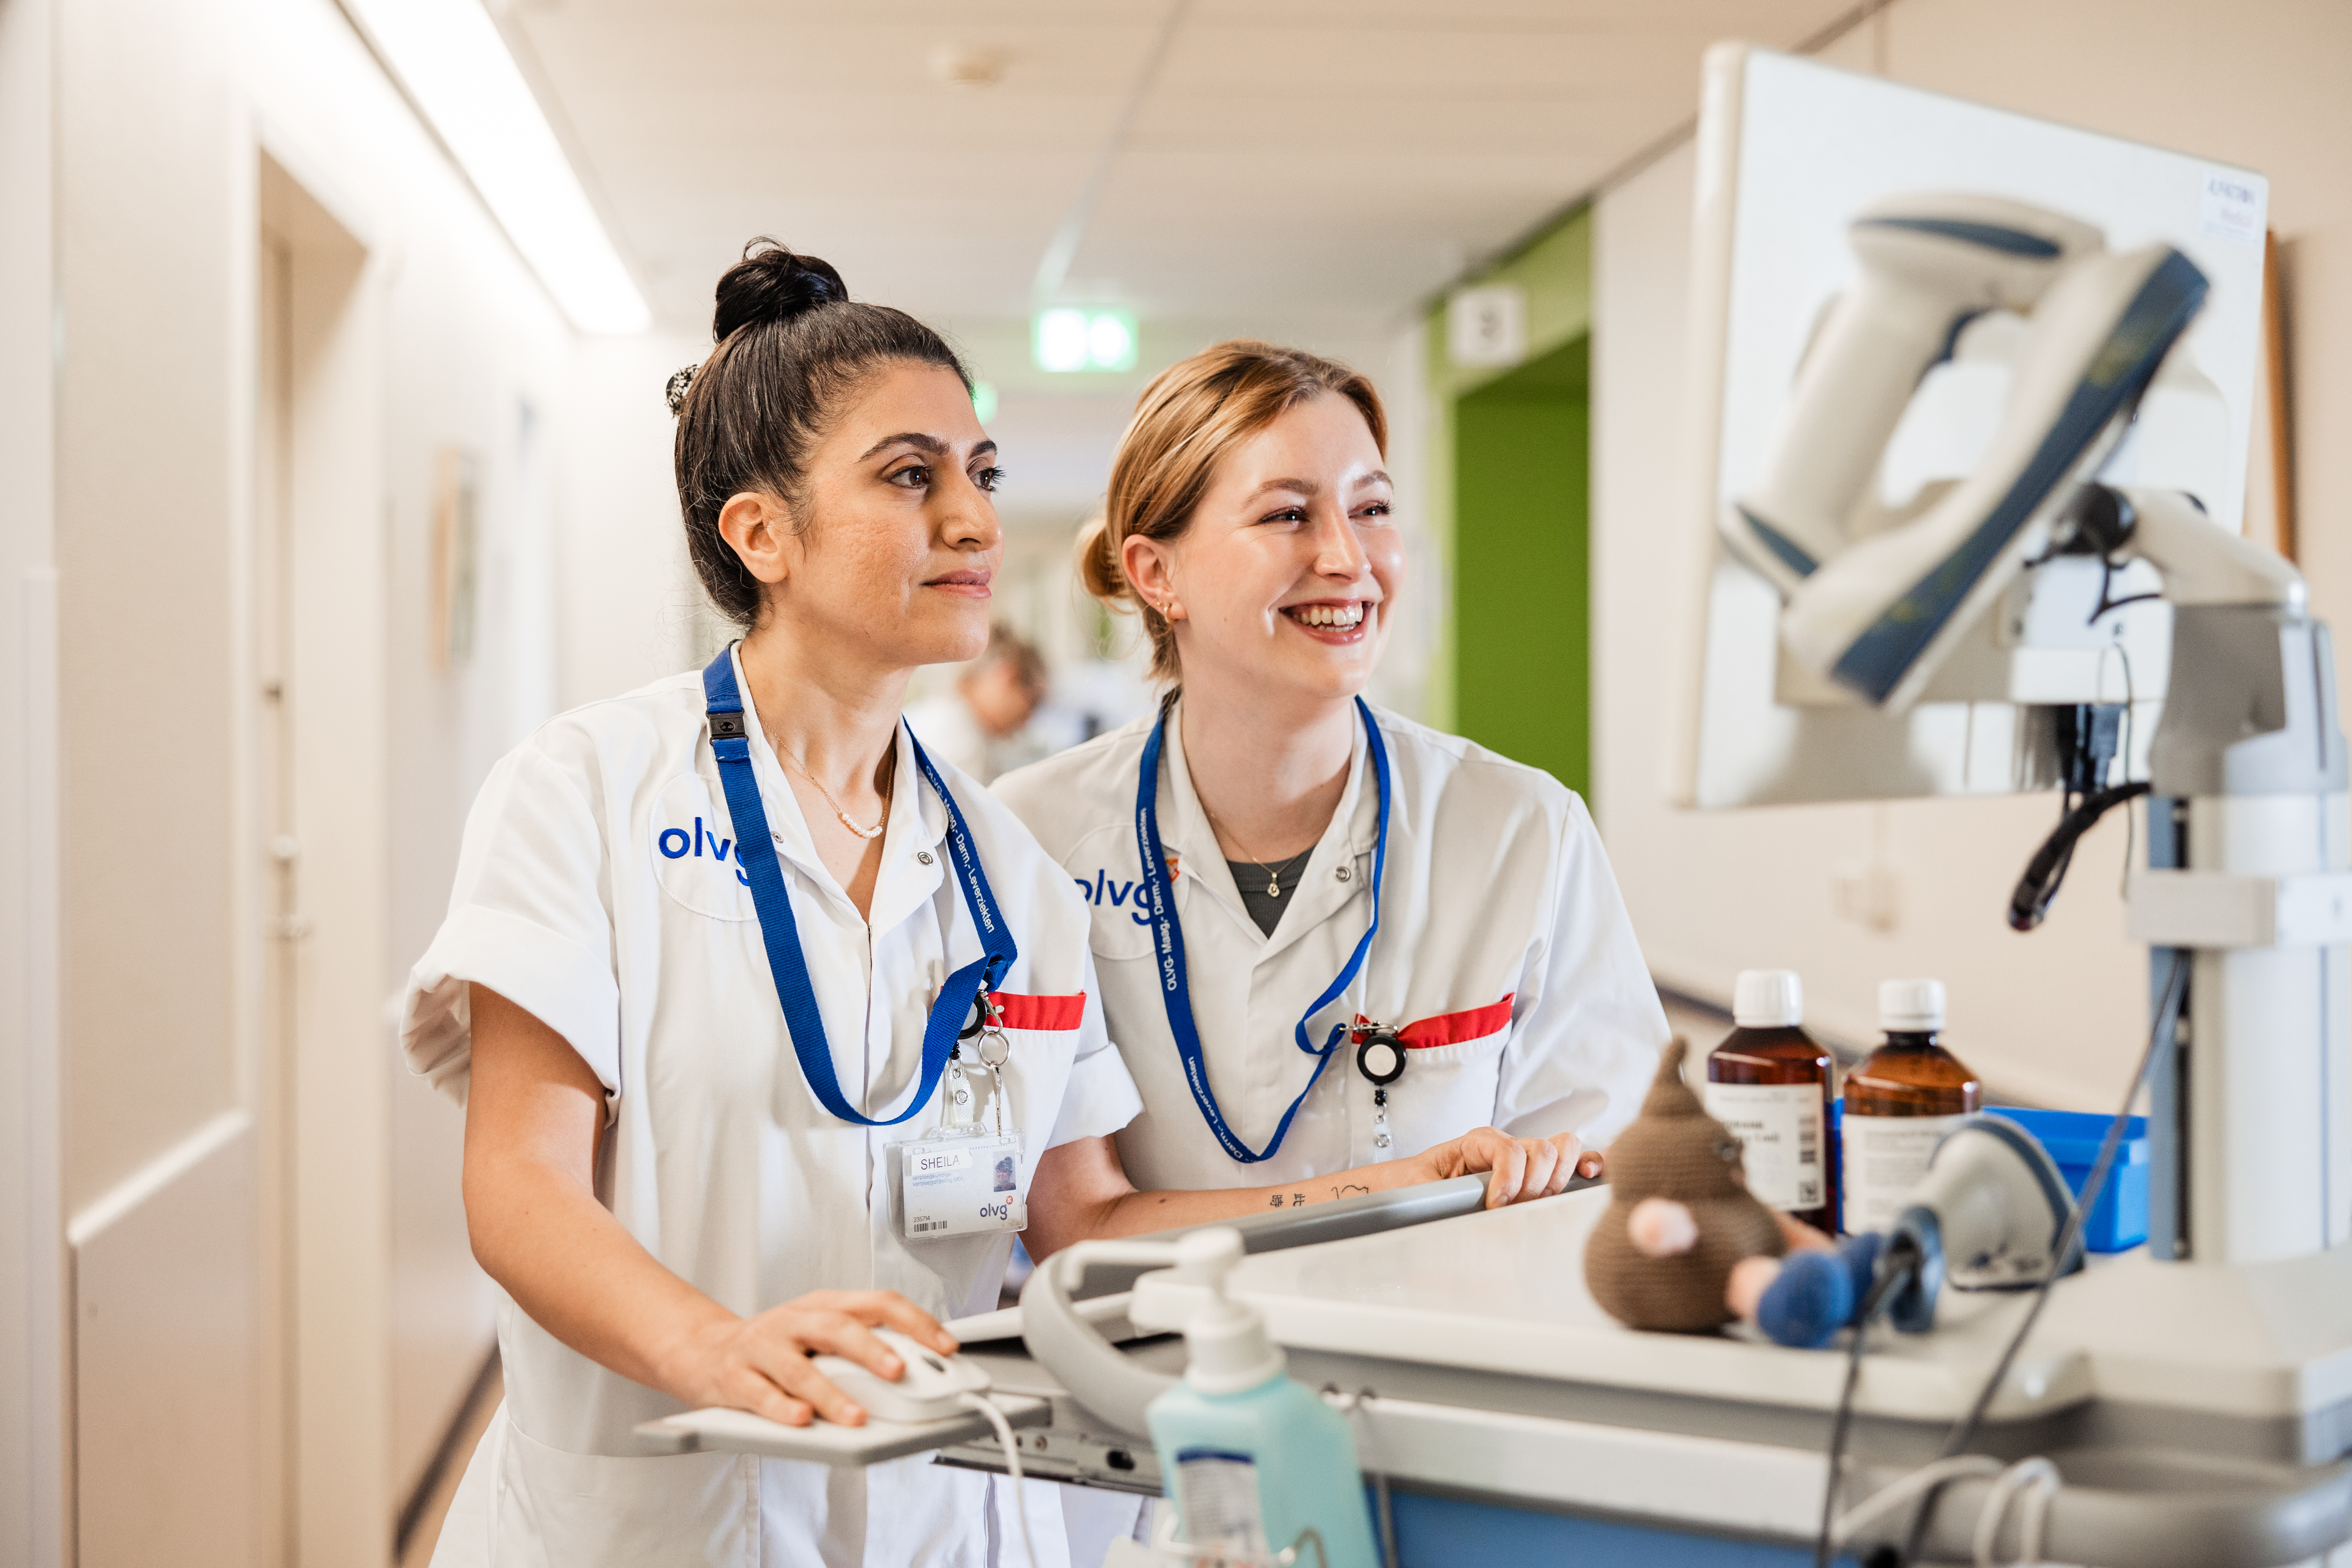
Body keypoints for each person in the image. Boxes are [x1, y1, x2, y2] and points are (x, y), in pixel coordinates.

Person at [401, 248, 1600, 1568]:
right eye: (911, 477)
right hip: (654, 1519)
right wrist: (717, 1346)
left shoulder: (1006, 867)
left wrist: (1398, 1180)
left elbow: (1083, 1220)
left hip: (935, 1517)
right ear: (763, 534)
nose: (972, 520)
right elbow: (518, 1185)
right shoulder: (589, 787)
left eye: (981, 475)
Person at [995, 340, 1668, 1207]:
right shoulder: (1035, 836)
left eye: (1374, 508)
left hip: (1444, 1332)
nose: (1350, 559)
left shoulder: (1522, 828)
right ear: (1157, 573)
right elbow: (1069, 1222)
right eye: (1287, 516)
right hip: (1142, 1338)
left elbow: (1603, 1177)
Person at [904, 622, 1050, 783]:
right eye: (1032, 703)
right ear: (1006, 676)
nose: (1027, 720)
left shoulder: (945, 714)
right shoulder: (958, 737)